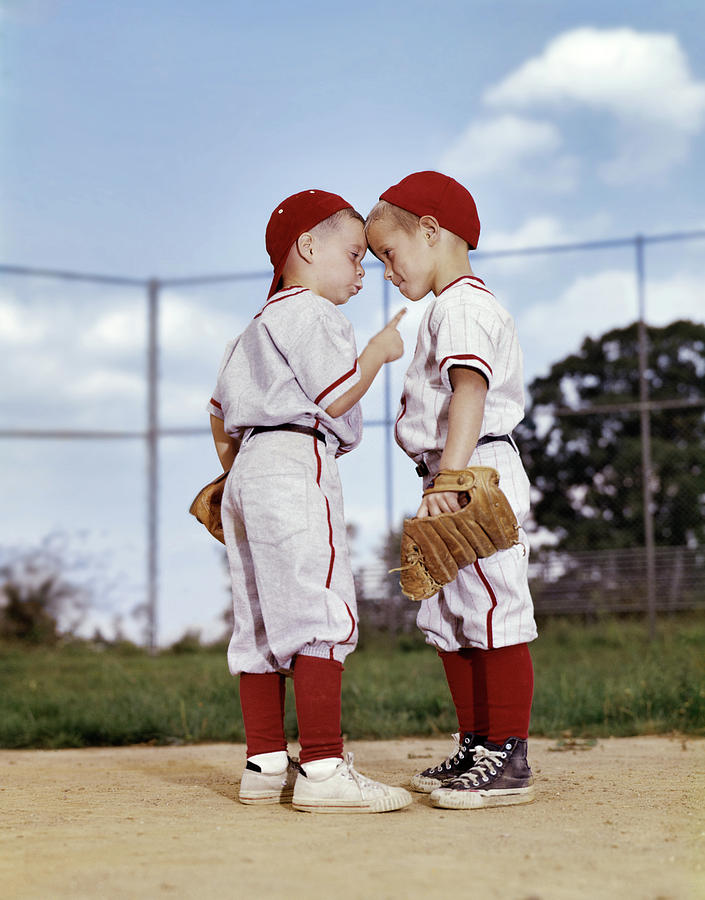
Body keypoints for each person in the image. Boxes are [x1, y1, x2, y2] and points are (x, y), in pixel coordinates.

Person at [207, 188, 411, 814]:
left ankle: (265, 763)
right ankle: (323, 766)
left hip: (249, 468)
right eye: (354, 254)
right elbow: (337, 394)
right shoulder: (314, 314)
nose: (362, 270)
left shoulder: (252, 328)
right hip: (298, 457)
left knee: (260, 618)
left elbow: (217, 416)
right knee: (320, 608)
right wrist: (377, 353)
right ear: (307, 246)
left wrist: (236, 475)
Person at [366, 171, 537, 810]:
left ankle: (507, 754)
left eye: (389, 251)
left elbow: (471, 388)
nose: (386, 268)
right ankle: (477, 745)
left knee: (493, 608)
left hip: (473, 472)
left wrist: (452, 479)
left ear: (431, 232)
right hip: (454, 471)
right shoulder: (449, 305)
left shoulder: (463, 304)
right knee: (453, 616)